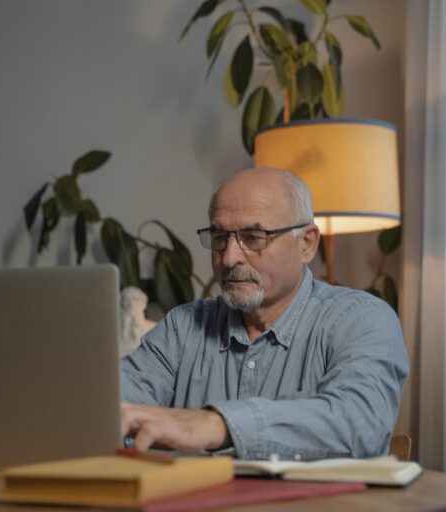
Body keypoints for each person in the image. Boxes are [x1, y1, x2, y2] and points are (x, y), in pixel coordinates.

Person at [120, 167, 408, 460]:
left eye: (254, 237)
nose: (229, 257)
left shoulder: (362, 319)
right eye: (220, 237)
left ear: (306, 243)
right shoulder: (183, 328)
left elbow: (361, 423)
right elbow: (111, 407)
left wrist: (218, 424)